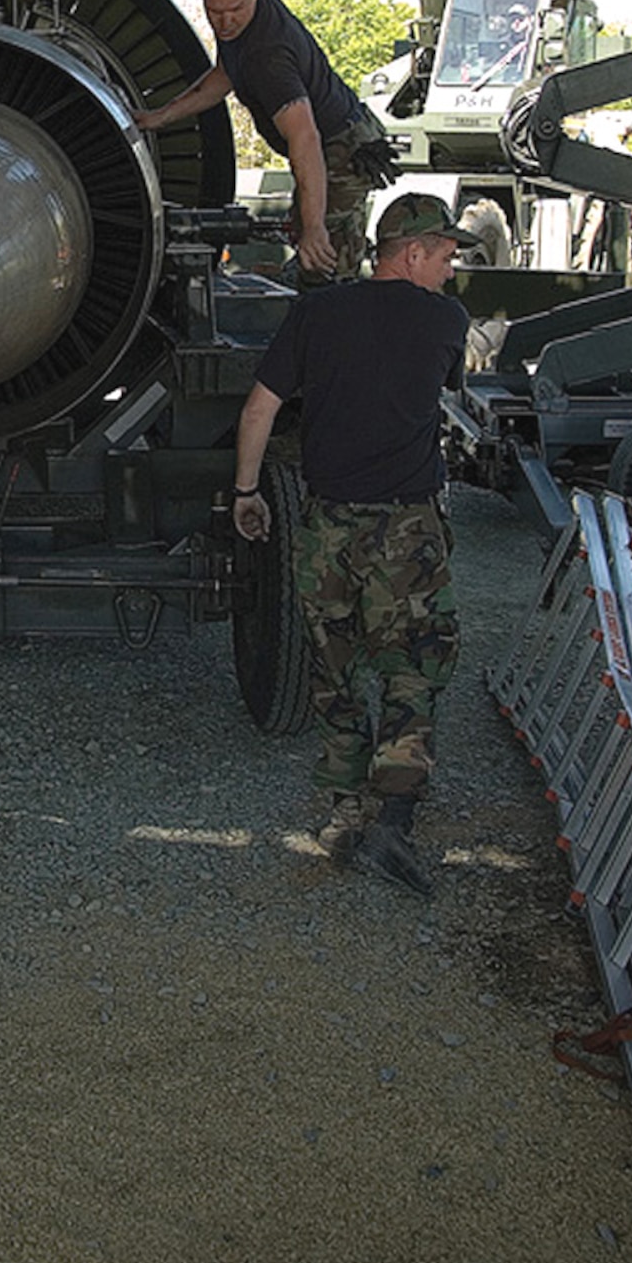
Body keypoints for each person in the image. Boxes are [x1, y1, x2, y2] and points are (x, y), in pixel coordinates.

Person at [231, 191, 477, 896]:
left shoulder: (315, 313)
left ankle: (342, 817)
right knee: (413, 667)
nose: (450, 273)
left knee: (334, 671)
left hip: (326, 526)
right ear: (413, 252)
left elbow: (259, 408)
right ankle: (393, 827)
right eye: (447, 257)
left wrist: (247, 494)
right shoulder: (446, 323)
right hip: (407, 532)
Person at [134, 0, 396, 283]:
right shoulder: (242, 22)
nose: (226, 21)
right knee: (313, 247)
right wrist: (160, 117)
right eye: (215, 11)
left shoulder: (268, 57)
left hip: (340, 148)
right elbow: (226, 74)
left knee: (322, 261)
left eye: (236, 10)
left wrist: (314, 227)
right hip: (333, 141)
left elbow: (305, 136)